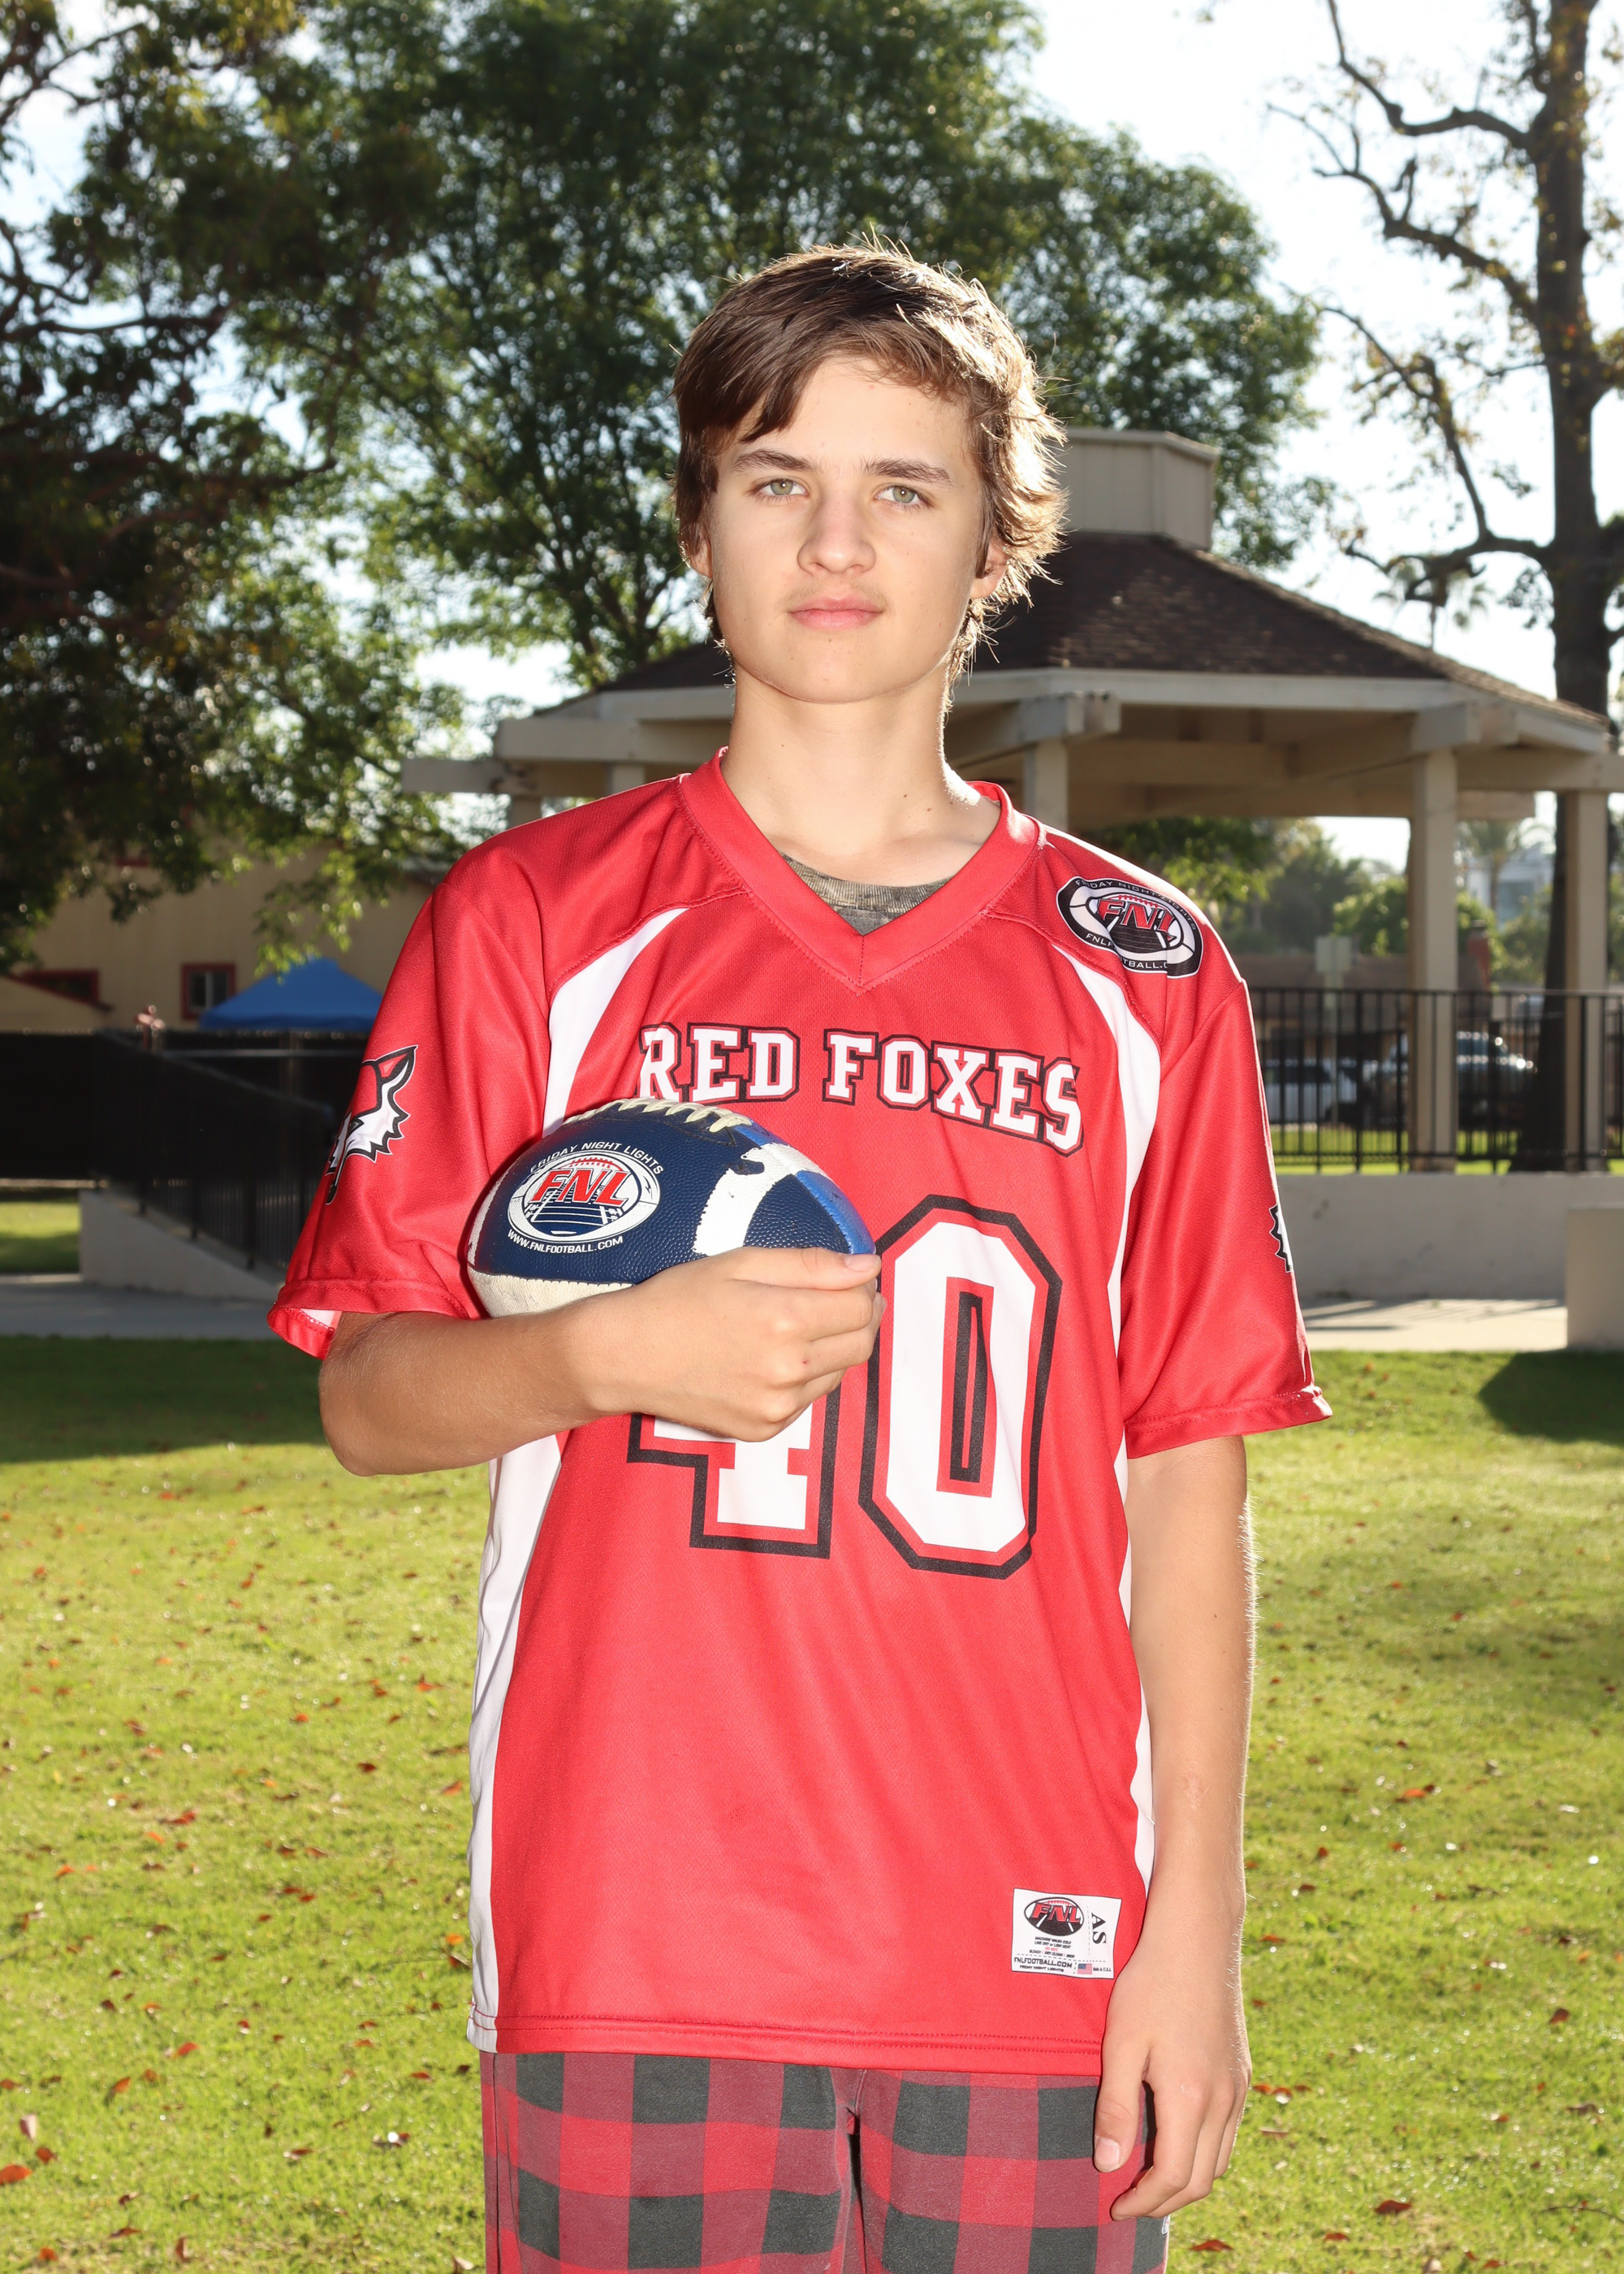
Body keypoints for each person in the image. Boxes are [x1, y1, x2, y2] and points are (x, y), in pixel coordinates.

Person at [270, 244, 1328, 2274]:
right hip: (639, 1918)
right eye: (776, 479)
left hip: (1033, 1928)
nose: (835, 542)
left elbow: (1186, 1476)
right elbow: (366, 1393)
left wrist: (1192, 1925)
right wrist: (597, 1353)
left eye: (900, 487)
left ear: (993, 541)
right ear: (700, 526)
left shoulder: (1144, 971)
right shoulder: (536, 919)